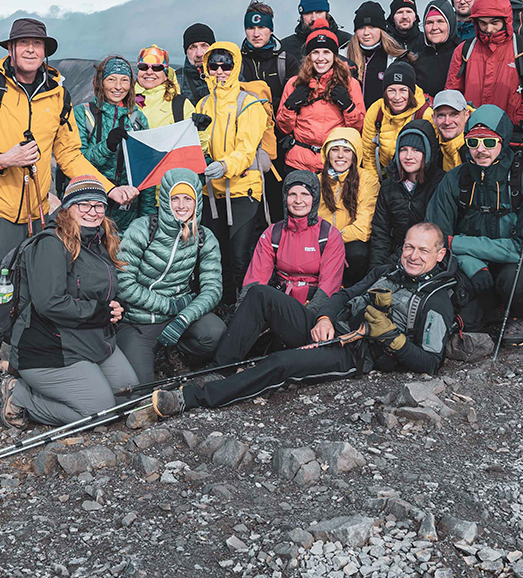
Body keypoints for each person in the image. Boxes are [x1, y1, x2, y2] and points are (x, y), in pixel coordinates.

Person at [0, 18, 136, 406]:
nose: (30, 50)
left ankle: (27, 359)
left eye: (36, 45)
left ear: (45, 51)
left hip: (39, 208)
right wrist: (4, 159)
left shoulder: (56, 93)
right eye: (23, 43)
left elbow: (69, 153)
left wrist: (107, 189)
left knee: (43, 286)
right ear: (10, 49)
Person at [148, 223, 456, 414]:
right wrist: (323, 317)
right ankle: (219, 371)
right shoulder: (386, 272)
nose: (413, 256)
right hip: (328, 328)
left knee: (280, 363)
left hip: (350, 354)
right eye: (409, 247)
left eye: (423, 251)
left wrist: (390, 336)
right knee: (260, 295)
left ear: (439, 255)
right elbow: (342, 296)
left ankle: (192, 398)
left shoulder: (436, 302)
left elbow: (430, 361)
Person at [0, 175, 138, 427]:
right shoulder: (51, 244)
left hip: (91, 340)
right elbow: (49, 303)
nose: (92, 212)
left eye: (98, 205)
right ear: (67, 208)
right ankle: (22, 397)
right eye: (83, 204)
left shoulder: (98, 240)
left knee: (129, 397)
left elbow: (98, 292)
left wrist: (114, 307)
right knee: (101, 412)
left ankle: (79, 389)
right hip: (50, 350)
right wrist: (100, 312)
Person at [427, 105, 523, 348]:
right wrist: (473, 266)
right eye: (473, 142)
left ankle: (517, 314)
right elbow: (437, 238)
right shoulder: (456, 179)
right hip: (473, 265)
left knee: (517, 279)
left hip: (522, 262)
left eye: (489, 142)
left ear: (503, 142)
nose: (480, 150)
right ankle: (490, 306)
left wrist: (459, 244)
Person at [115, 169, 226, 383]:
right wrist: (169, 306)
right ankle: (152, 358)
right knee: (140, 386)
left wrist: (184, 317)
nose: (181, 205)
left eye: (188, 198)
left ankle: (176, 355)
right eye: (175, 198)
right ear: (165, 199)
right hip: (140, 319)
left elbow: (213, 289)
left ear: (196, 202)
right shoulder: (142, 229)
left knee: (215, 333)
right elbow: (124, 283)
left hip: (179, 315)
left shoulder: (203, 237)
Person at [195, 44, 270, 303]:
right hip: (211, 192)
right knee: (214, 257)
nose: (219, 71)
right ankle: (219, 306)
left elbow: (247, 149)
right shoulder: (203, 103)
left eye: (225, 65)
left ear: (235, 66)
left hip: (243, 189)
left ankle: (245, 307)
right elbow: (199, 143)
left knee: (240, 257)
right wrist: (202, 152)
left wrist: (226, 166)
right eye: (213, 65)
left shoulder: (250, 104)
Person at [444, 0, 523, 160]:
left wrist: (511, 124)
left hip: (512, 141)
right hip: (471, 140)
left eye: (494, 22)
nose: (489, 28)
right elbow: (452, 94)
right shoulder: (464, 50)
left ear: (506, 20)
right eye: (483, 23)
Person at [240, 170, 347, 308]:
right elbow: (255, 279)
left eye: (305, 194)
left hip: (315, 303)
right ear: (285, 198)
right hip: (281, 299)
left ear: (314, 198)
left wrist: (310, 313)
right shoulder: (273, 233)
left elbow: (329, 286)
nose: (298, 201)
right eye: (292, 194)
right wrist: (243, 307)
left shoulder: (329, 235)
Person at [73, 56, 155, 232]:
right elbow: (76, 163)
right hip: (89, 208)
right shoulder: (83, 114)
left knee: (123, 258)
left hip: (127, 212)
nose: (118, 87)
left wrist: (147, 218)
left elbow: (146, 170)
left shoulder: (138, 119)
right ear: (100, 82)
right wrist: (107, 146)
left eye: (124, 80)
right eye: (111, 79)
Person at [275, 27, 364, 174]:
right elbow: (283, 128)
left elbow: (358, 128)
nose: (321, 58)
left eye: (326, 52)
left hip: (334, 161)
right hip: (298, 162)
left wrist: (348, 106)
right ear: (308, 56)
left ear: (335, 56)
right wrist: (290, 107)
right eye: (315, 52)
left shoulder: (350, 84)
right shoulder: (294, 83)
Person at [369, 119, 445, 268]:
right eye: (403, 149)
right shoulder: (388, 186)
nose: (409, 156)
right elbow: (380, 233)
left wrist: (391, 265)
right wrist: (376, 270)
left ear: (427, 153)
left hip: (425, 259)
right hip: (394, 252)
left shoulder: (440, 184)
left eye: (416, 150)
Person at [318, 128, 378, 286]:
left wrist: (332, 241)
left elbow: (363, 228)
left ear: (355, 154)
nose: (340, 155)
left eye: (346, 150)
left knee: (357, 254)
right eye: (335, 149)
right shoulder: (317, 181)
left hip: (349, 242)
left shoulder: (367, 180)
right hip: (320, 242)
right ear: (327, 153)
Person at [361, 60, 434, 181]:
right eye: (391, 90)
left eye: (403, 90)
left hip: (417, 178)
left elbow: (432, 158)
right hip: (384, 175)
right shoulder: (376, 110)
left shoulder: (425, 114)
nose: (397, 97)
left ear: (411, 91)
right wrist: (374, 184)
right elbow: (368, 152)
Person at [347, 1, 406, 108]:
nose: (366, 33)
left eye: (372, 27)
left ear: (381, 30)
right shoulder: (343, 57)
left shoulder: (395, 58)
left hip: (382, 121)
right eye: (361, 28)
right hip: (351, 120)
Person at [280, 0, 354, 64]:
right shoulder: (286, 47)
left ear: (327, 13)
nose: (314, 18)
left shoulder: (346, 42)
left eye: (319, 12)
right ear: (301, 15)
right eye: (308, 13)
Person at [412, 0, 459, 97]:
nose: (434, 27)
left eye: (440, 21)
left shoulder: (462, 52)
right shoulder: (417, 57)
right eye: (429, 22)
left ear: (450, 23)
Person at [134, 45, 189, 129]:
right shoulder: (124, 99)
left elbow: (197, 140)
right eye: (143, 67)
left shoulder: (180, 104)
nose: (149, 72)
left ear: (166, 75)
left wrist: (201, 129)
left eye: (157, 68)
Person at [430, 89, 471, 171]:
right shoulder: (432, 151)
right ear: (433, 118)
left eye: (454, 114)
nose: (447, 122)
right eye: (441, 115)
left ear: (466, 115)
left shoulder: (476, 148)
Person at [177, 23, 215, 104]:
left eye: (204, 46)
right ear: (186, 52)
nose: (199, 54)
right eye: (193, 47)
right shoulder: (176, 80)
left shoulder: (230, 75)